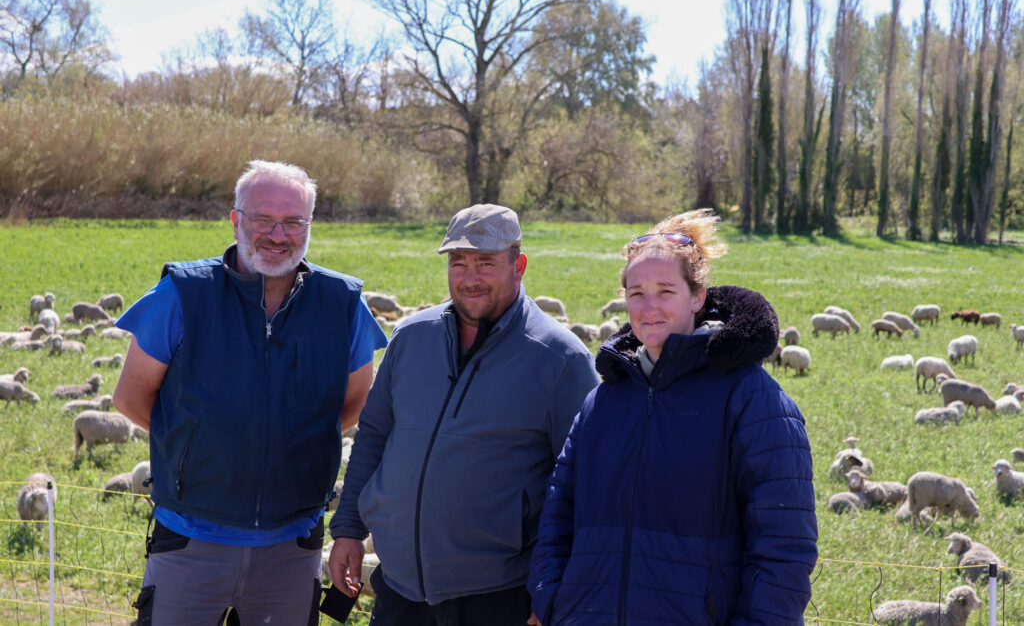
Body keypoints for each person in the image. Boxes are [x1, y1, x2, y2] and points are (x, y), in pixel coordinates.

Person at [111, 160, 388, 624]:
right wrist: (194, 447)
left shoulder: (342, 303)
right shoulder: (182, 294)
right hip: (190, 540)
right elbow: (131, 398)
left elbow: (357, 400)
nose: (278, 235)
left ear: (310, 225)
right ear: (236, 220)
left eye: (293, 221)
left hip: (292, 545)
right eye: (263, 219)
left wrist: (290, 445)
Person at [527, 209, 818, 625]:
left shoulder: (750, 398)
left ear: (697, 297)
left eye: (666, 291)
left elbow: (784, 544)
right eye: (637, 293)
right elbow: (560, 511)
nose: (649, 308)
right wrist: (552, 601)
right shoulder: (604, 400)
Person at [327, 203, 600, 625]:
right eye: (459, 262)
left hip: (498, 595)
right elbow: (375, 433)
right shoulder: (412, 337)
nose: (470, 278)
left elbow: (584, 486)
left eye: (486, 262)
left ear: (518, 265)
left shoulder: (561, 359)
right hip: (399, 588)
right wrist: (348, 529)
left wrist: (554, 587)